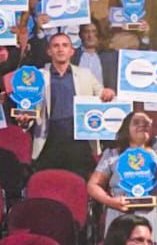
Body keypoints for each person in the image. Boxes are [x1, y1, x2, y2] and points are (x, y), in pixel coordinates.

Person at [89, 103, 157, 245]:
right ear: (126, 128)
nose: (143, 125)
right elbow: (93, 186)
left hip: (156, 216)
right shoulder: (113, 154)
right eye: (137, 122)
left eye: (147, 123)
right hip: (121, 215)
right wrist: (111, 201)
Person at [29, 30, 105, 175]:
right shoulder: (37, 76)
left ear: (71, 51)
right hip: (50, 139)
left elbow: (101, 94)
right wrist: (24, 120)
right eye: (56, 46)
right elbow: (29, 107)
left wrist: (108, 94)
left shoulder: (86, 74)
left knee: (79, 186)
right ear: (49, 51)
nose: (60, 49)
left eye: (65, 45)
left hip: (79, 140)